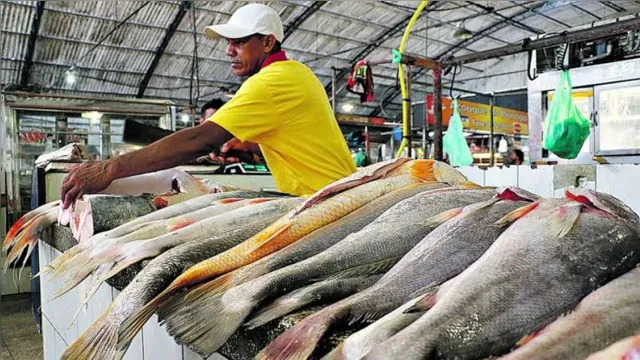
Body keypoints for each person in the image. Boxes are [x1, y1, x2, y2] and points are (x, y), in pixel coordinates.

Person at [60, 3, 356, 208]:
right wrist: (245, 146)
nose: (229, 51)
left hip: (328, 203)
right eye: (229, 42)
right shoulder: (296, 73)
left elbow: (200, 140)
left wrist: (110, 169)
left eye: (239, 42)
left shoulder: (271, 81)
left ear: (267, 43)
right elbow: (299, 140)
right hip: (340, 193)